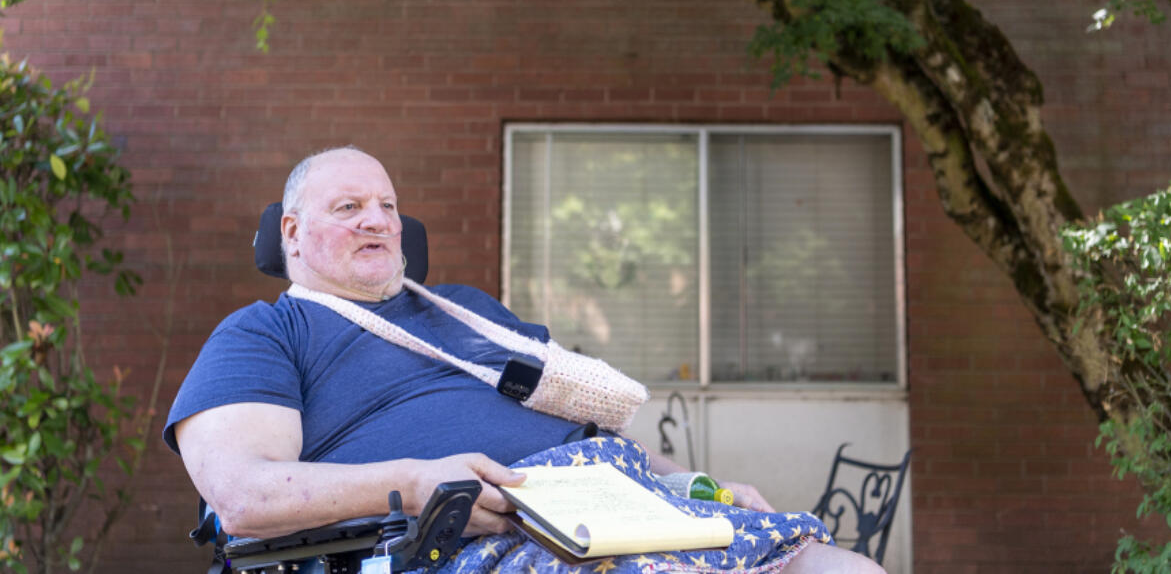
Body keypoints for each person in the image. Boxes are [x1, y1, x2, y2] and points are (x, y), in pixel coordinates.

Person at [165, 147, 887, 574]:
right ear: (291, 233)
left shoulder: (463, 307)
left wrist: (700, 480)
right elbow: (243, 496)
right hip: (476, 534)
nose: (379, 219)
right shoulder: (264, 332)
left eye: (388, 205)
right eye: (349, 205)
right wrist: (415, 482)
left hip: (621, 502)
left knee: (839, 566)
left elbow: (581, 422)